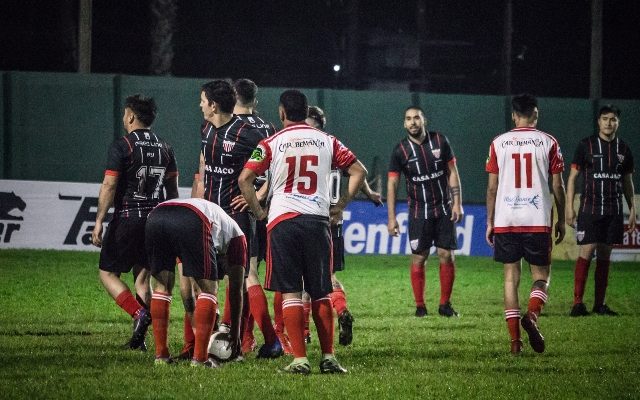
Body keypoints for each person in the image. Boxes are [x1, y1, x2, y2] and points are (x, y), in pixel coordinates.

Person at [238, 89, 367, 374]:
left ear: (282, 112)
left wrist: (260, 213)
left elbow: (245, 179)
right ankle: (329, 358)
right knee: (320, 292)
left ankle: (299, 359)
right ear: (305, 110)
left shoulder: (271, 143)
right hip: (317, 222)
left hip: (283, 222)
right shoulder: (327, 141)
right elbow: (359, 171)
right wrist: (341, 206)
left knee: (291, 294)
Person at [196, 79, 283, 358]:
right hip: (209, 211)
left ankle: (256, 339)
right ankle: (226, 338)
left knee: (243, 276)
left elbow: (273, 168)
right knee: (201, 276)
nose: (200, 104)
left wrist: (255, 197)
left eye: (202, 100)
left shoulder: (250, 132)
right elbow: (203, 167)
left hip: (237, 215)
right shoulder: (207, 128)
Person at [91, 94, 179, 350]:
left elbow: (109, 185)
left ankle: (138, 314)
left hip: (128, 218)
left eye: (124, 114)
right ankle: (138, 340)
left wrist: (99, 220)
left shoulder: (123, 146)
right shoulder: (166, 146)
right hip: (156, 219)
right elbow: (172, 190)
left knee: (107, 273)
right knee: (143, 280)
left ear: (130, 116)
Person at [485, 93, 566, 355]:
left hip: (506, 219)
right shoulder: (549, 142)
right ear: (535, 114)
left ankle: (515, 343)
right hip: (537, 219)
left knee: (511, 279)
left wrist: (490, 222)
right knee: (541, 277)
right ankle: (531, 316)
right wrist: (561, 219)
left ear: (513, 115)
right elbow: (558, 186)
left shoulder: (498, 143)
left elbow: (492, 187)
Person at [305, 105, 383, 346]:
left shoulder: (301, 145)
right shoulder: (333, 145)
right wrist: (367, 194)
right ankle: (342, 312)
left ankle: (304, 331)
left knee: (301, 279)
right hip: (333, 223)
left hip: (309, 217)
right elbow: (359, 172)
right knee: (329, 276)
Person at [145, 198, 246, 367]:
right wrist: (235, 337)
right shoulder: (238, 239)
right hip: (192, 218)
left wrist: (196, 328)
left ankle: (161, 356)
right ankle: (200, 359)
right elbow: (236, 292)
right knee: (209, 289)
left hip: (156, 216)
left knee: (162, 287)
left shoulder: (216, 232)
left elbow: (186, 290)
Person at [387, 106, 463, 318]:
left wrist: (457, 203)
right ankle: (420, 306)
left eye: (416, 118)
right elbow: (392, 185)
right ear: (404, 124)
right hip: (419, 212)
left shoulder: (440, 141)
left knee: (446, 255)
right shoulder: (400, 151)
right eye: (408, 119)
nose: (412, 122)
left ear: (424, 121)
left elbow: (452, 172)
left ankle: (445, 305)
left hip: (443, 208)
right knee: (419, 258)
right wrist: (391, 218)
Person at [566, 105, 636, 317]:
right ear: (598, 121)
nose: (608, 123)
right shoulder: (585, 145)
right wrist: (569, 207)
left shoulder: (623, 149)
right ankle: (578, 304)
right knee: (586, 252)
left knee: (605, 255)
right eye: (605, 119)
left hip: (613, 209)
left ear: (618, 122)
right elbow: (572, 178)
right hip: (590, 209)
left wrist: (632, 208)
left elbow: (627, 181)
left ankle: (599, 304)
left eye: (612, 119)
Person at [230, 78, 283, 354]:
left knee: (244, 275)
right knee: (247, 274)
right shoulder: (269, 128)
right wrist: (261, 195)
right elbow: (275, 171)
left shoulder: (231, 129)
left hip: (241, 209)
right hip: (263, 209)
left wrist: (254, 196)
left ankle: (267, 338)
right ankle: (245, 337)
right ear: (256, 100)